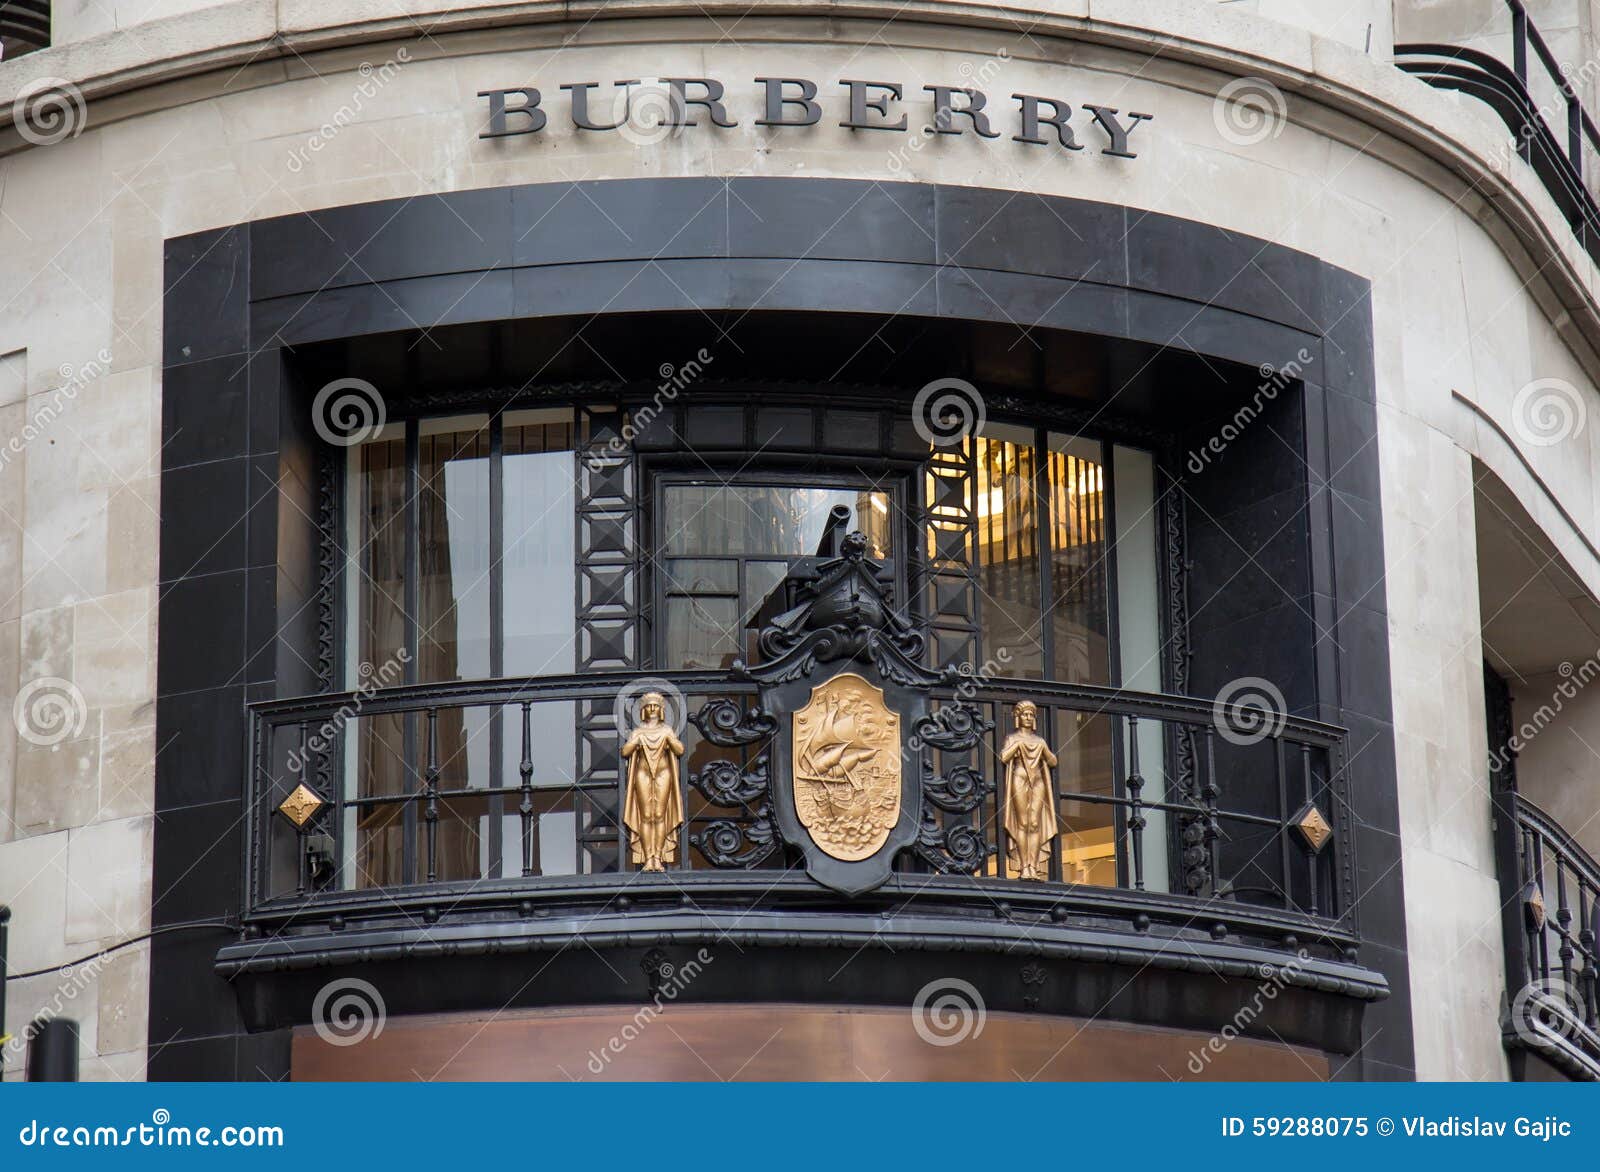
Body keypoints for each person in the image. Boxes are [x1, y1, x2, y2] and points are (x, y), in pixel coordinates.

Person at [622, 692, 684, 871]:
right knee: (646, 815)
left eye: (655, 706)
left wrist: (670, 740)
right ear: (643, 710)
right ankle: (648, 857)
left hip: (663, 773)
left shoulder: (666, 730)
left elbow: (680, 750)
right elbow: (625, 751)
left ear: (661, 709)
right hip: (642, 774)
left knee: (659, 815)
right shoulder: (638, 731)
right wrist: (636, 742)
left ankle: (658, 855)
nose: (652, 709)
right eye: (648, 706)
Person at [1001, 700, 1058, 880]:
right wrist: (1016, 746)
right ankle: (1024, 865)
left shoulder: (1039, 741)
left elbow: (1053, 762)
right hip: (1019, 778)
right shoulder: (1012, 738)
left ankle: (1033, 866)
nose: (1027, 717)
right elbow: (1003, 757)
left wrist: (1045, 751)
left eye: (1031, 715)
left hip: (1038, 781)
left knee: (1034, 823)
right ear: (1018, 717)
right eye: (1024, 714)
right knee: (1023, 823)